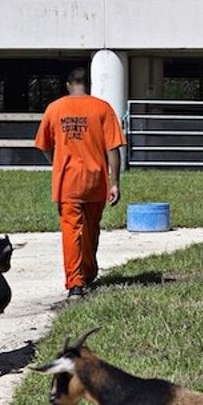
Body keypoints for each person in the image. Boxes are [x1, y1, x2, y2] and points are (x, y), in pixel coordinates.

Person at [35, 68, 126, 297]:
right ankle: (88, 271)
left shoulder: (54, 109)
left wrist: (56, 161)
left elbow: (44, 145)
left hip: (67, 182)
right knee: (91, 230)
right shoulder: (102, 108)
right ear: (90, 85)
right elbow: (113, 148)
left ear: (67, 85)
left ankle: (75, 283)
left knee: (71, 232)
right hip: (95, 182)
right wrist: (114, 182)